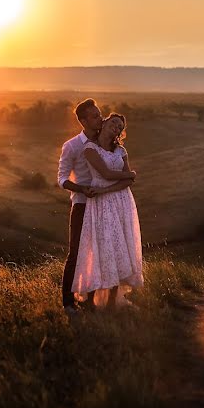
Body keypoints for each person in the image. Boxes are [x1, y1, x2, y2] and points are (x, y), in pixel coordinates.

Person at [57, 99, 134, 312]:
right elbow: (61, 178)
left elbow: (116, 165)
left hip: (108, 204)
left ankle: (100, 300)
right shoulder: (72, 146)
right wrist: (81, 189)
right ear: (82, 121)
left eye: (99, 114)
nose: (99, 118)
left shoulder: (107, 143)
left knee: (104, 251)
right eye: (93, 116)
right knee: (76, 252)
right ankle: (68, 302)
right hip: (83, 203)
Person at [71, 113, 143, 308]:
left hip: (121, 201)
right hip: (101, 204)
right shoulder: (90, 149)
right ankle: (90, 299)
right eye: (114, 123)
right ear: (104, 123)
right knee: (100, 247)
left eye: (120, 126)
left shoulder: (121, 150)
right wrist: (129, 174)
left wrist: (108, 189)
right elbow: (106, 173)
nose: (117, 128)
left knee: (119, 247)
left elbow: (127, 182)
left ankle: (112, 300)